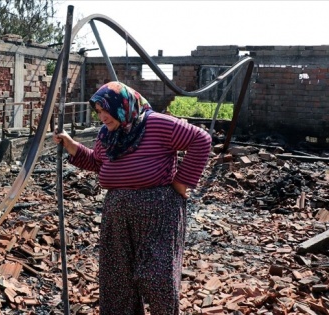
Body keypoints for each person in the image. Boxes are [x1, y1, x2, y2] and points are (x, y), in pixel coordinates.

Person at [53, 81, 212, 314]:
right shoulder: (108, 135)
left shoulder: (157, 123)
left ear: (123, 105)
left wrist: (181, 182)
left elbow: (201, 139)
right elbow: (98, 163)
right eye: (99, 112)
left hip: (158, 213)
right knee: (118, 279)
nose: (103, 117)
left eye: (106, 110)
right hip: (117, 216)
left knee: (158, 277)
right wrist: (71, 145)